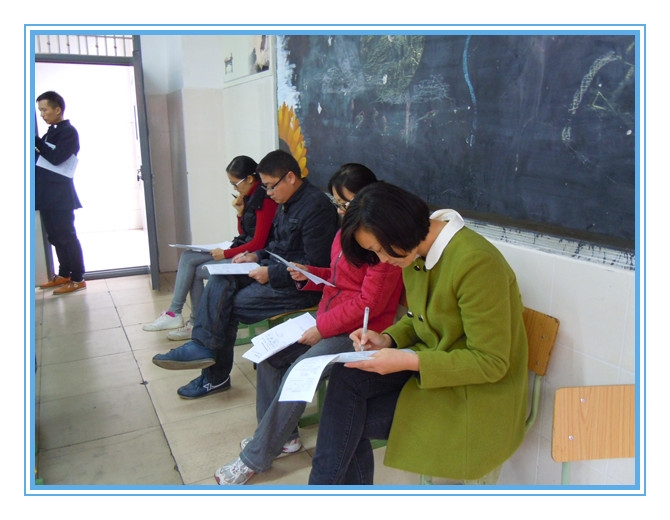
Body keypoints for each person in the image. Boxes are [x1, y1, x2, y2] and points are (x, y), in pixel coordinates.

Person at [308, 182, 529, 485]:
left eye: (379, 249)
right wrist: (387, 339)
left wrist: (407, 361)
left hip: (476, 393)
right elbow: (420, 317)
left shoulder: (475, 262)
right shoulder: (413, 250)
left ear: (398, 227)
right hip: (437, 366)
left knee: (345, 421)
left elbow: (491, 362)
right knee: (346, 376)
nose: (382, 260)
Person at [213, 164, 404, 485]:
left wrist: (322, 328)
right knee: (270, 357)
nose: (341, 211)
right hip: (328, 317)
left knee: (299, 372)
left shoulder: (382, 246)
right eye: (337, 203)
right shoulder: (346, 232)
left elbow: (367, 303)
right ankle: (283, 438)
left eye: (346, 203)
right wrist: (310, 274)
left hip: (359, 332)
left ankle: (255, 457)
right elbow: (340, 278)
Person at [151, 149, 339, 399]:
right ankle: (202, 346)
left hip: (300, 288)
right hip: (275, 270)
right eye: (266, 187)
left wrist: (271, 273)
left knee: (226, 304)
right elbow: (276, 245)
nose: (268, 193)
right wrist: (256, 256)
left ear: (290, 177)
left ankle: (213, 375)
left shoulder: (316, 208)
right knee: (221, 277)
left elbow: (315, 267)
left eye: (271, 186)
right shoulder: (287, 201)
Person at [142, 155, 278, 341]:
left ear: (249, 179)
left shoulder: (265, 199)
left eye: (235, 183)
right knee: (188, 256)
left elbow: (259, 243)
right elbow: (245, 233)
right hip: (242, 248)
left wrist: (225, 253)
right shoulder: (250, 196)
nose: (234, 188)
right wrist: (240, 213)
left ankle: (196, 323)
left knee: (198, 270)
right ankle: (174, 313)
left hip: (255, 257)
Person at [35, 90, 86, 294]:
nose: (42, 115)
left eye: (44, 110)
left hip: (61, 196)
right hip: (47, 195)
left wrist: (35, 141)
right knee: (55, 237)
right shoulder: (51, 132)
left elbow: (56, 158)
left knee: (67, 236)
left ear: (57, 110)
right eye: (40, 111)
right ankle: (64, 274)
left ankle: (78, 278)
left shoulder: (68, 132)